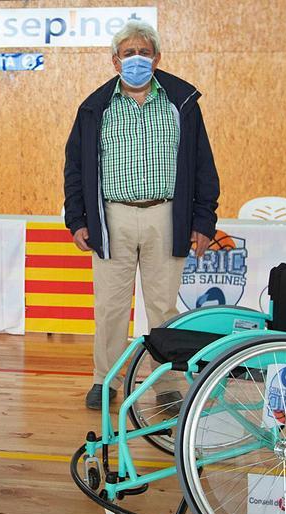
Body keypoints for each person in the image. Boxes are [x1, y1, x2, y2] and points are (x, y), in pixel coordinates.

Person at [63, 21, 221, 410]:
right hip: (112, 218)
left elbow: (203, 164)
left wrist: (203, 221)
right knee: (111, 307)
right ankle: (106, 380)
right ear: (115, 62)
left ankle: (165, 384)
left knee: (164, 308)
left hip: (165, 217)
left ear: (157, 58)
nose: (137, 59)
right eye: (128, 53)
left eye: (144, 52)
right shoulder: (94, 108)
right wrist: (78, 218)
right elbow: (74, 167)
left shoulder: (181, 102)